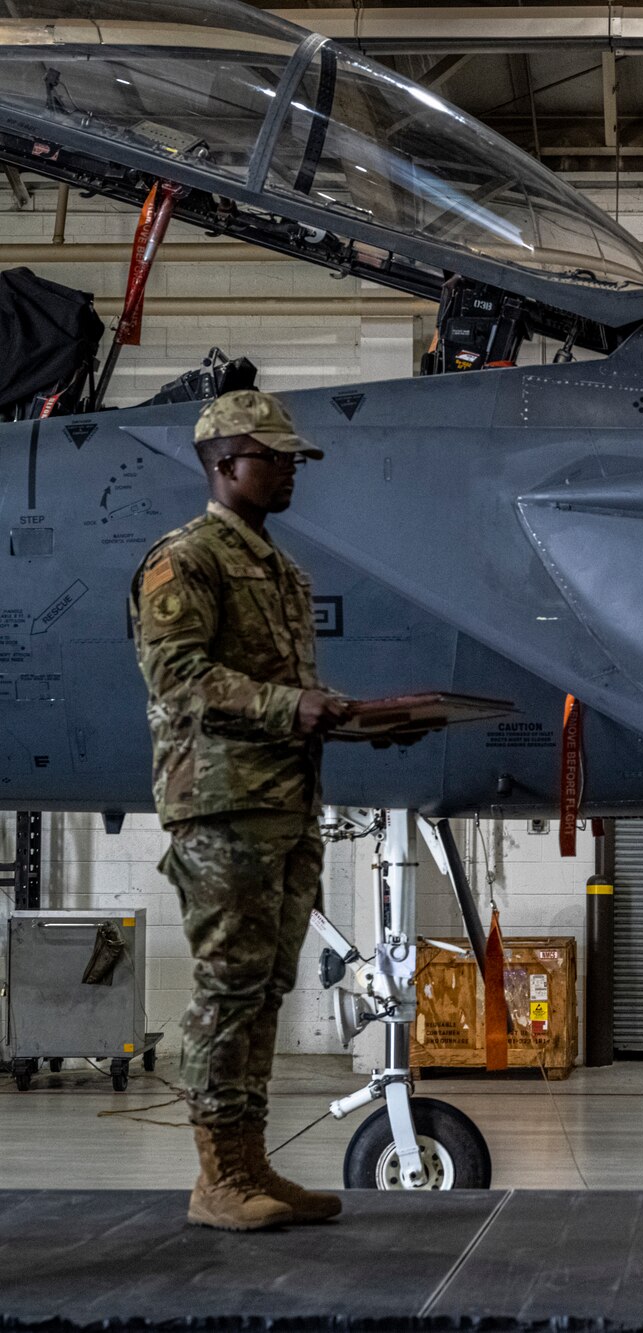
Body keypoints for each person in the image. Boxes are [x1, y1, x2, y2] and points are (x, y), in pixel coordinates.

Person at [131, 390, 353, 1231]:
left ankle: (251, 1160)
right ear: (224, 463)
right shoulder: (184, 560)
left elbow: (277, 688)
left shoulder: (281, 569)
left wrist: (345, 715)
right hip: (221, 806)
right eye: (276, 455)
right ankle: (217, 1175)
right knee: (227, 986)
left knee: (265, 988)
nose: (291, 468)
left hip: (285, 805)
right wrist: (287, 708)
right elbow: (176, 679)